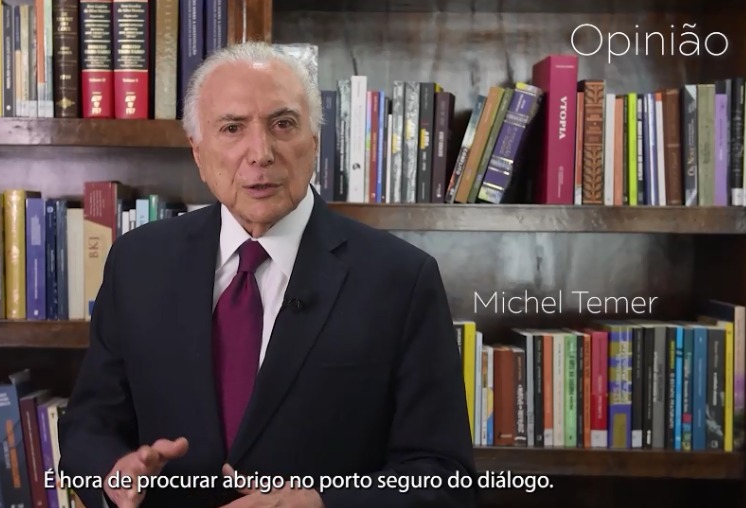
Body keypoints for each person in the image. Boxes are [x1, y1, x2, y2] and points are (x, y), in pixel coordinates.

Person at [57, 41, 476, 508]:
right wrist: (112, 475)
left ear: (314, 141)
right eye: (232, 128)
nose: (260, 153)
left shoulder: (401, 278)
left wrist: (321, 503)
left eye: (283, 124)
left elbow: (445, 477)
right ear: (198, 153)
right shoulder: (137, 263)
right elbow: (89, 424)